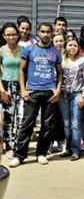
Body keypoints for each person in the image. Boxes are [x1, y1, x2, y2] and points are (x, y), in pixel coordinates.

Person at [9, 22, 62, 167]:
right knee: (27, 124)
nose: (45, 34)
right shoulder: (29, 50)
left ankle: (41, 153)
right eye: (43, 31)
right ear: (38, 32)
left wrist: (58, 90)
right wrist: (23, 90)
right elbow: (21, 70)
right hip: (32, 91)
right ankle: (19, 155)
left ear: (51, 33)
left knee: (47, 125)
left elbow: (60, 73)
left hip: (50, 92)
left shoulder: (55, 52)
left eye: (48, 32)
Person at [59, 40, 84, 161]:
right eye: (70, 45)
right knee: (66, 124)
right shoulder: (61, 60)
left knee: (76, 123)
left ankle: (76, 150)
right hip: (63, 95)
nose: (72, 47)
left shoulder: (83, 60)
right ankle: (68, 148)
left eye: (75, 45)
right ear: (66, 47)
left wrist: (83, 95)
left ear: (78, 47)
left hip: (76, 94)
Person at [0, 23, 23, 153]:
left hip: (21, 85)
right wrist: (2, 90)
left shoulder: (24, 50)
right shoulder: (1, 51)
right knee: (8, 118)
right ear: (4, 36)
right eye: (8, 34)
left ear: (17, 35)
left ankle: (18, 146)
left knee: (20, 117)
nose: (11, 37)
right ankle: (8, 146)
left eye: (13, 34)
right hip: (6, 85)